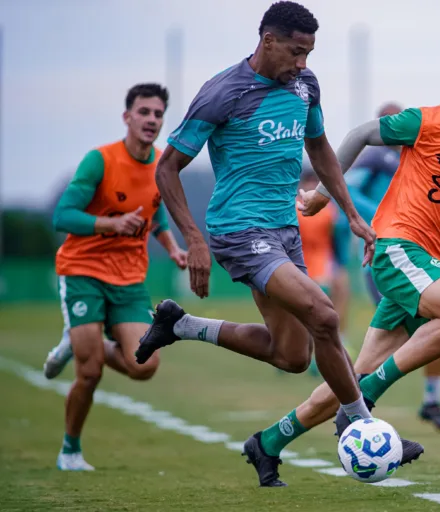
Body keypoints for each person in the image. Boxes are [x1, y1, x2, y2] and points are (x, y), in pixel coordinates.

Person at [246, 43, 440, 486]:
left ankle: (268, 442)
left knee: (351, 376)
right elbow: (358, 134)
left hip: (430, 264)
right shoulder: (426, 121)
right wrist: (320, 196)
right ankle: (367, 401)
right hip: (398, 247)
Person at [132, 1, 382, 486]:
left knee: (292, 357)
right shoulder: (221, 93)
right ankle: (360, 422)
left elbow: (321, 148)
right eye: (295, 51)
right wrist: (193, 239)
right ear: (268, 40)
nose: (303, 63)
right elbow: (167, 169)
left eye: (309, 52)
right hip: (239, 232)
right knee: (325, 316)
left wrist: (350, 212)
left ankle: (182, 326)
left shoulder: (305, 86)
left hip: (283, 232)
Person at [42, 83, 188, 471]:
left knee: (144, 365)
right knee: (88, 373)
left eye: (158, 114)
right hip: (82, 270)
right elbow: (63, 216)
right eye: (144, 112)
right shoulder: (99, 160)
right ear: (127, 117)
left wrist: (171, 247)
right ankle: (70, 450)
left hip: (128, 279)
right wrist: (110, 223)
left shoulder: (161, 165)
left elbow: (155, 212)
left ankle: (80, 339)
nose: (151, 120)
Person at [344, 102, 440, 432]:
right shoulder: (376, 157)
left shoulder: (416, 156)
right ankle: (355, 402)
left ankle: (430, 401)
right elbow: (347, 189)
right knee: (395, 337)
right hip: (387, 257)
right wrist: (380, 213)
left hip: (416, 254)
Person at [295, 168, 354, 375]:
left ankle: (321, 352)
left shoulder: (327, 209)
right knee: (313, 311)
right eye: (310, 183)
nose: (312, 187)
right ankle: (301, 350)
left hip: (319, 264)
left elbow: (338, 237)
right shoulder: (318, 208)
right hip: (305, 264)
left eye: (315, 183)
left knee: (320, 309)